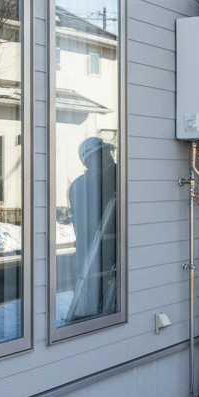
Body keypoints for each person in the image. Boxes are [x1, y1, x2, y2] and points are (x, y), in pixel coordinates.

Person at [67, 136, 118, 319]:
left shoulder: (113, 175)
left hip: (103, 244)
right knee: (92, 288)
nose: (109, 157)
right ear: (89, 160)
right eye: (103, 153)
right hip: (94, 246)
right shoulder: (83, 185)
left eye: (109, 153)